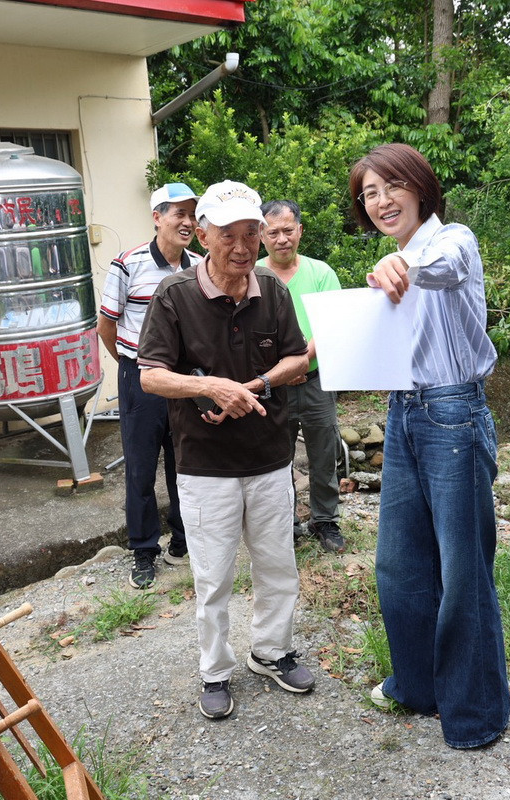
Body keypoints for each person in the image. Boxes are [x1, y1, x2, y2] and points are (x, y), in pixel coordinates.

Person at [137, 180, 315, 720]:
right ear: (204, 234)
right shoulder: (174, 295)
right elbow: (151, 377)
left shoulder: (273, 291)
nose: (241, 247)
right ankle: (215, 670)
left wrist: (254, 386)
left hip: (269, 456)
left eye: (250, 234)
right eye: (228, 235)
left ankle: (272, 650)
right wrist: (212, 387)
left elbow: (297, 361)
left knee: (278, 564)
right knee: (213, 576)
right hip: (205, 464)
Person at [353, 143, 510, 749]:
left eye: (391, 185)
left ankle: (475, 714)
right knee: (400, 563)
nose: (381, 200)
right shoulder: (391, 260)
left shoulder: (453, 241)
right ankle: (416, 687)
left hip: (453, 415)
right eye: (369, 193)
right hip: (403, 411)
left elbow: (441, 265)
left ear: (419, 186)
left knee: (463, 569)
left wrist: (406, 269)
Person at [97, 183, 198, 589]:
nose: (188, 222)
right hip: (139, 375)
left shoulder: (198, 265)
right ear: (157, 218)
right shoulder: (128, 264)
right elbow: (106, 324)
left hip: (183, 376)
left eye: (192, 214)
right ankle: (143, 550)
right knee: (140, 467)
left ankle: (183, 538)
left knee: (184, 461)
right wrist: (127, 364)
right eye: (179, 214)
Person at [257, 199, 346, 552]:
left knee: (324, 453)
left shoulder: (321, 273)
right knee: (277, 458)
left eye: (288, 230)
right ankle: (286, 524)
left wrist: (299, 361)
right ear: (261, 235)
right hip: (271, 386)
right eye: (273, 232)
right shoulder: (253, 275)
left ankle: (325, 520)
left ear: (300, 231)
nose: (282, 239)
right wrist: (281, 370)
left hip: (316, 381)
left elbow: (331, 326)